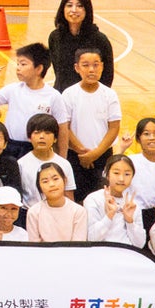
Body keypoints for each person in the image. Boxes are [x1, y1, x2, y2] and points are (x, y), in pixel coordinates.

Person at [0, 43, 71, 160]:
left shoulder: (53, 96)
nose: (18, 68)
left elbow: (62, 130)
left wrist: (62, 160)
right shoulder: (13, 89)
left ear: (39, 69)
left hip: (36, 149)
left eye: (23, 64)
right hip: (10, 147)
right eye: (17, 64)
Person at [58, 47, 120, 199]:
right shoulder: (69, 94)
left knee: (103, 198)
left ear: (102, 66)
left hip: (103, 156)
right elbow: (65, 126)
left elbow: (114, 127)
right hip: (75, 156)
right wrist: (81, 151)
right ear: (77, 68)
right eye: (85, 65)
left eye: (96, 65)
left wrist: (95, 153)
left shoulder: (109, 95)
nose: (91, 70)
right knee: (76, 198)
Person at [47, 0, 116, 92]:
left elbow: (107, 76)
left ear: (87, 10)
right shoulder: (55, 37)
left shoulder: (100, 40)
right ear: (63, 9)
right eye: (69, 5)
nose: (74, 10)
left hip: (90, 95)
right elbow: (58, 72)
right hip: (62, 95)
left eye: (79, 6)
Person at [86, 155, 145, 247]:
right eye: (116, 173)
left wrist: (129, 221)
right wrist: (110, 215)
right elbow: (91, 238)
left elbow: (140, 244)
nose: (121, 179)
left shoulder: (133, 203)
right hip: (100, 251)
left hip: (127, 251)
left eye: (127, 174)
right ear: (107, 175)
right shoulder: (93, 199)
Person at [118, 117, 155, 212]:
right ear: (138, 139)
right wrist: (121, 148)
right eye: (146, 134)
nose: (152, 138)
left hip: (152, 214)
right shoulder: (130, 161)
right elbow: (108, 174)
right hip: (125, 210)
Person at [15, 114, 74, 200]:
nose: (42, 137)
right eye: (37, 132)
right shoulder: (21, 164)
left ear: (55, 139)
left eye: (47, 133)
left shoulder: (64, 164)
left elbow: (69, 197)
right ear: (29, 138)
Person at [26, 163, 88, 242]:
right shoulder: (33, 212)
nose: (51, 184)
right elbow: (34, 245)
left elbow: (78, 244)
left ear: (65, 180)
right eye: (45, 181)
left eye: (55, 179)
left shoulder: (78, 211)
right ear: (39, 187)